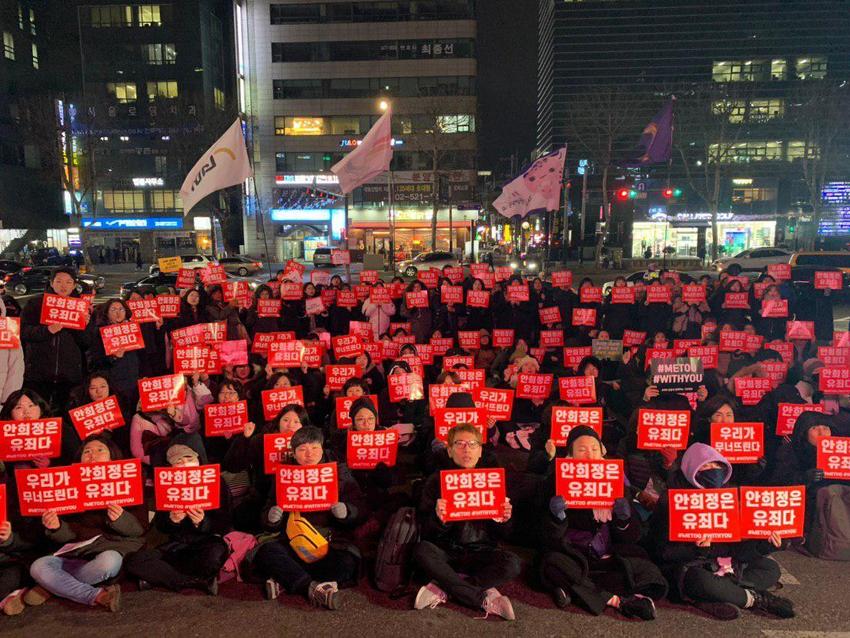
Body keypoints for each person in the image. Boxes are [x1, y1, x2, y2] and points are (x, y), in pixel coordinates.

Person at [650, 442, 794, 620]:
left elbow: (737, 551)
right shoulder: (671, 499)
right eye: (706, 466)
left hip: (726, 565)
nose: (713, 470)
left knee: (770, 568)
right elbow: (660, 553)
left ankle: (722, 595)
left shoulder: (729, 498)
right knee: (699, 580)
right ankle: (755, 599)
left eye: (717, 465)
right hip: (689, 566)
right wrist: (698, 550)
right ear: (691, 469)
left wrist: (765, 545)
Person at [538, 426, 666, 620]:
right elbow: (545, 535)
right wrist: (557, 518)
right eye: (582, 450)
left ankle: (573, 590)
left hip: (606, 556)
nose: (589, 454)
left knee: (647, 569)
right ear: (570, 454)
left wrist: (624, 520)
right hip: (573, 554)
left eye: (594, 449)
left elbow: (632, 536)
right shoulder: (555, 481)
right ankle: (616, 600)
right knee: (550, 563)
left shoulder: (615, 480)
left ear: (601, 451)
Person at [27, 436, 147, 612]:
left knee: (109, 562)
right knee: (39, 566)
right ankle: (96, 595)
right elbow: (69, 534)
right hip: (79, 551)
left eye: (100, 450)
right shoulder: (67, 483)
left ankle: (52, 587)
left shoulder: (129, 480)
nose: (93, 455)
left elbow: (139, 530)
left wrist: (120, 518)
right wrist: (56, 527)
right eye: (87, 452)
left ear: (112, 457)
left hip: (111, 548)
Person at [413, 424, 520, 620]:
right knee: (422, 550)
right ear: (449, 450)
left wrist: (504, 519)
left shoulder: (493, 481)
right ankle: (481, 598)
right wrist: (439, 519)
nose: (467, 449)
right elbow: (425, 531)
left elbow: (506, 534)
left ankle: (445, 587)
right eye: (460, 444)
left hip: (481, 553)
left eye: (472, 444)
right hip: (446, 551)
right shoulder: (435, 481)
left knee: (512, 563)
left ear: (480, 451)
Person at [252, 427, 363, 609]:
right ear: (294, 454)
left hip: (330, 543)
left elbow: (360, 508)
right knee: (266, 552)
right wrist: (272, 518)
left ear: (322, 448)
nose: (309, 454)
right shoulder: (285, 475)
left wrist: (347, 512)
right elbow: (266, 516)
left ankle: (288, 580)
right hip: (293, 542)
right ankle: (313, 587)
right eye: (302, 450)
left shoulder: (339, 473)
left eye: (314, 448)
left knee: (347, 563)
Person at [124, 443, 231, 594]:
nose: (185, 463)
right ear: (170, 467)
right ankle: (194, 582)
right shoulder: (165, 485)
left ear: (198, 460)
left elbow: (225, 523)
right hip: (176, 547)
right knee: (133, 560)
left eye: (189, 458)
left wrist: (201, 522)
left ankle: (158, 577)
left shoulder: (217, 481)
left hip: (206, 543)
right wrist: (172, 520)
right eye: (178, 462)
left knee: (216, 553)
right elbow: (160, 526)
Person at [20, 267, 91, 410]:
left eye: (68, 282)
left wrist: (84, 325)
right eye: (59, 281)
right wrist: (47, 330)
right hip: (38, 374)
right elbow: (22, 332)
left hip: (69, 376)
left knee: (66, 416)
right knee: (38, 413)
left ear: (74, 284)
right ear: (51, 283)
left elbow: (87, 342)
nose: (63, 286)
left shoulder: (81, 307)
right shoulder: (36, 304)